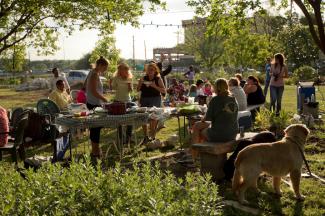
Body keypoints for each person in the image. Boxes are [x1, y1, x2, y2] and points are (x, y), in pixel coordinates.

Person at [192, 78, 238, 143]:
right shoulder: (233, 99)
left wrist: (202, 118)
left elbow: (207, 118)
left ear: (216, 88)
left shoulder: (215, 100)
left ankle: (195, 150)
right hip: (233, 133)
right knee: (202, 126)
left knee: (198, 127)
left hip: (219, 134)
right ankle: (200, 149)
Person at [137, 62, 166, 143]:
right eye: (148, 70)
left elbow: (164, 90)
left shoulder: (158, 78)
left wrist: (154, 86)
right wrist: (140, 82)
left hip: (155, 99)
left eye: (151, 70)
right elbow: (138, 89)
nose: (150, 71)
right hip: (144, 99)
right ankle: (146, 137)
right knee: (143, 117)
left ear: (155, 71)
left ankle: (153, 136)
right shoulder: (143, 78)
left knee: (154, 118)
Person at [86, 56, 109, 158]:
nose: (105, 70)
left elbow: (84, 85)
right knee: (96, 128)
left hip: (92, 103)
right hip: (94, 104)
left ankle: (95, 150)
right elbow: (94, 91)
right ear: (100, 65)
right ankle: (95, 152)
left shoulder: (93, 73)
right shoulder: (94, 74)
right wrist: (104, 99)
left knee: (94, 128)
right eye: (105, 68)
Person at [111, 62, 134, 143]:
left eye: (124, 69)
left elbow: (131, 91)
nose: (121, 71)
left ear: (126, 70)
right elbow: (113, 88)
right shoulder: (116, 78)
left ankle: (128, 138)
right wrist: (112, 82)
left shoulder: (129, 78)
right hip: (118, 101)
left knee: (130, 120)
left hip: (128, 101)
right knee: (119, 121)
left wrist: (129, 86)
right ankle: (121, 138)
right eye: (120, 69)